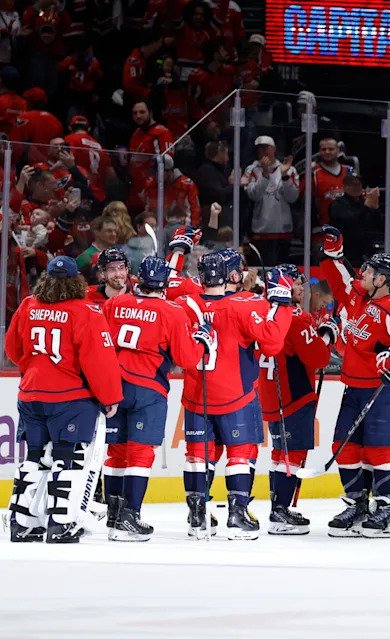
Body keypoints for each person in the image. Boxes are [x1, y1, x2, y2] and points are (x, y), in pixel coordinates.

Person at [5, 256, 123, 543]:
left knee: (34, 458)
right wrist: (110, 398)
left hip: (31, 394)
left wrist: (34, 368)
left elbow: (12, 348)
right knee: (67, 459)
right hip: (70, 398)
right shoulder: (86, 311)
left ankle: (21, 523)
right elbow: (99, 361)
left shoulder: (28, 305)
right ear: (76, 282)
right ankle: (61, 523)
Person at [179, 253, 294, 540]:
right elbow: (272, 344)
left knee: (198, 455)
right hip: (236, 396)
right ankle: (237, 515)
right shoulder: (246, 305)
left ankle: (198, 516)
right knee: (241, 454)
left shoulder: (183, 304)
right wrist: (281, 303)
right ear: (231, 276)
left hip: (196, 395)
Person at [316, 232, 390, 538]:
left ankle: (388, 508)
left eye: (371, 272)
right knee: (343, 446)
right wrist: (332, 251)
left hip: (382, 390)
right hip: (353, 387)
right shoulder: (360, 297)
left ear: (383, 280)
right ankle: (357, 505)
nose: (364, 274)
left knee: (379, 449)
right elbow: (338, 276)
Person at [100, 256, 203, 541]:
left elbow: (101, 344)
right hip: (148, 390)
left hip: (114, 387)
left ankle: (114, 516)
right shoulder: (172, 312)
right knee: (140, 455)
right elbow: (186, 359)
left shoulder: (114, 304)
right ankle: (130, 516)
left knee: (116, 453)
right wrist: (201, 342)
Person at [257, 263, 337, 535]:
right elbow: (319, 357)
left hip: (270, 396)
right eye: (296, 283)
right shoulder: (296, 317)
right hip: (294, 395)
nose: (302, 288)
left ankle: (278, 507)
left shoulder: (263, 312)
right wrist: (328, 333)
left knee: (281, 453)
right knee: (293, 455)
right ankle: (280, 512)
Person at [242, 135, 298, 266]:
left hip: (283, 230)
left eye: (266, 148)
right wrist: (265, 175)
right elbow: (254, 195)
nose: (263, 152)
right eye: (260, 149)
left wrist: (284, 176)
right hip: (261, 230)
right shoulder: (252, 170)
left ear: (274, 149)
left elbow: (293, 197)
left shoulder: (289, 169)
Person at [128, 100, 175, 205]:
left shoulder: (162, 133)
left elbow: (168, 162)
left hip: (154, 189)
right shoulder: (136, 133)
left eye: (142, 112)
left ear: (150, 112)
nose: (138, 116)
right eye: (135, 113)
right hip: (135, 188)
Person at [328, 174, 380, 265]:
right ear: (344, 187)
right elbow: (351, 222)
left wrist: (375, 207)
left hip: (366, 250)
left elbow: (379, 225)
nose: (356, 187)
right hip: (346, 252)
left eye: (358, 184)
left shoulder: (364, 202)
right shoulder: (337, 204)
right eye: (352, 185)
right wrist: (367, 206)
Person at [64, 115, 116, 204]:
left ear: (70, 128)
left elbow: (65, 163)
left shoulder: (69, 139)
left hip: (79, 192)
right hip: (98, 195)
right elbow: (111, 175)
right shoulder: (99, 146)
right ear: (88, 129)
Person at [123, 30, 164, 104]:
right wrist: (149, 92)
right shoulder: (134, 61)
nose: (161, 45)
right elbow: (130, 87)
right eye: (160, 42)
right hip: (134, 102)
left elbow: (159, 63)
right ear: (153, 43)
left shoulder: (150, 58)